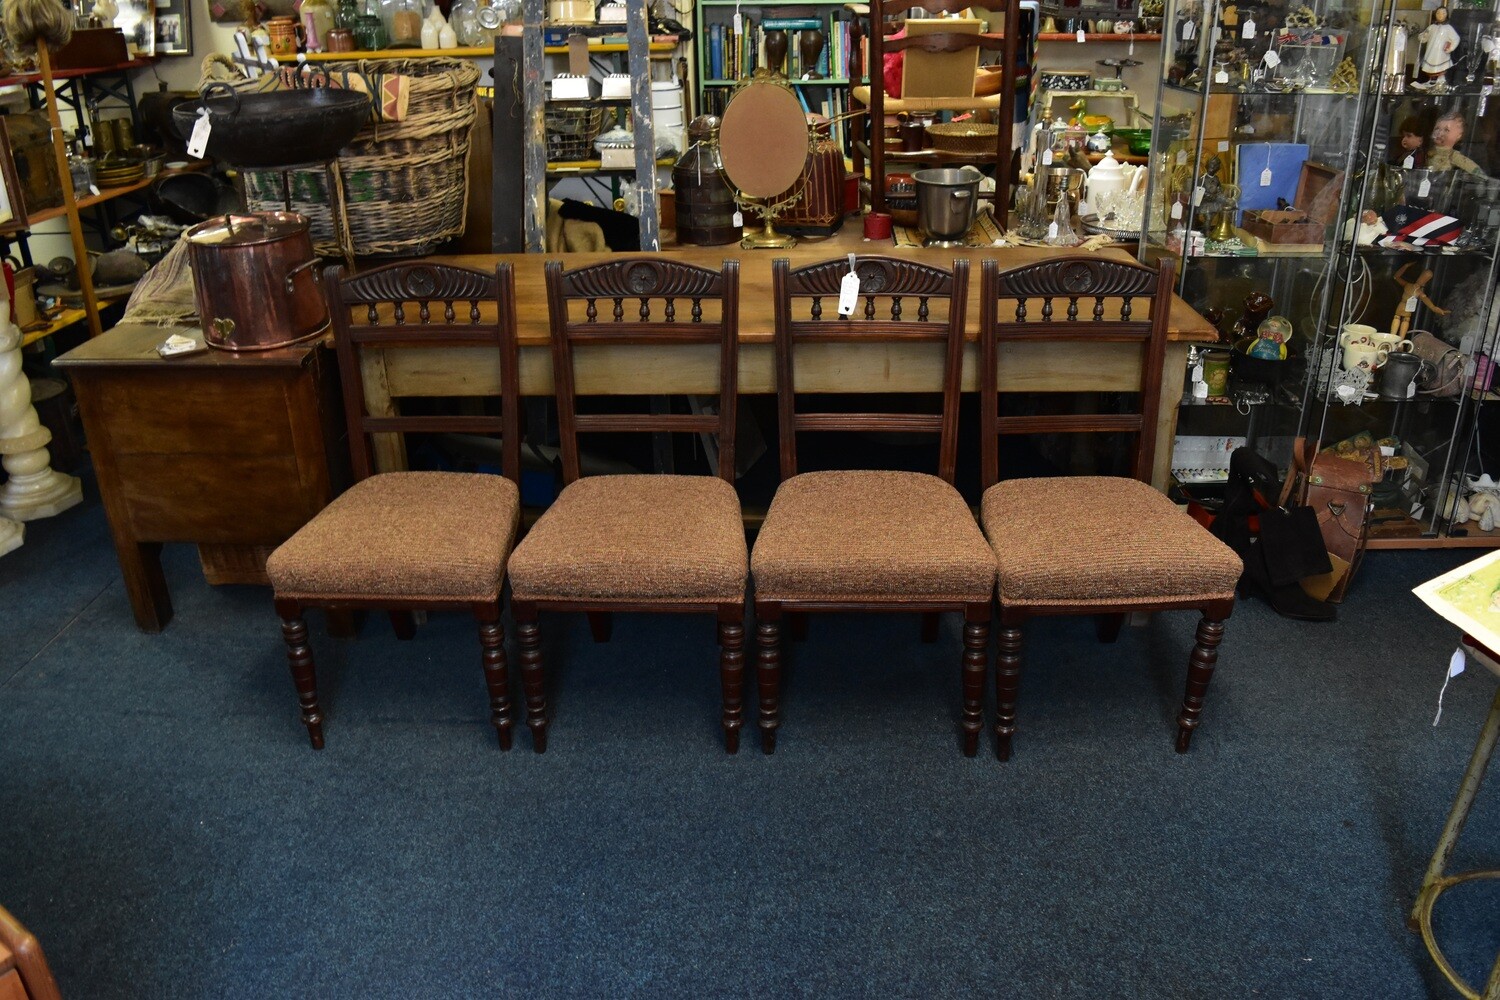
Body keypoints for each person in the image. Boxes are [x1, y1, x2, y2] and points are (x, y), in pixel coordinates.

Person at [1415, 6, 1460, 90]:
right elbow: (1423, 38)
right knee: (1430, 66)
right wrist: (1422, 36)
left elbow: (1456, 38)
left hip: (1441, 52)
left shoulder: (1448, 28)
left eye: (1443, 13)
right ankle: (1432, 80)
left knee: (1440, 67)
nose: (1440, 15)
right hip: (1431, 50)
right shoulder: (1431, 27)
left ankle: (1441, 80)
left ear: (1446, 15)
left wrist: (1451, 48)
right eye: (1438, 13)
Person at [1429, 110, 1485, 174]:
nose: (1440, 133)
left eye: (1446, 130)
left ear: (1458, 135)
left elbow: (1476, 171)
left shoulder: (1454, 157)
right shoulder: (1425, 152)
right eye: (1437, 128)